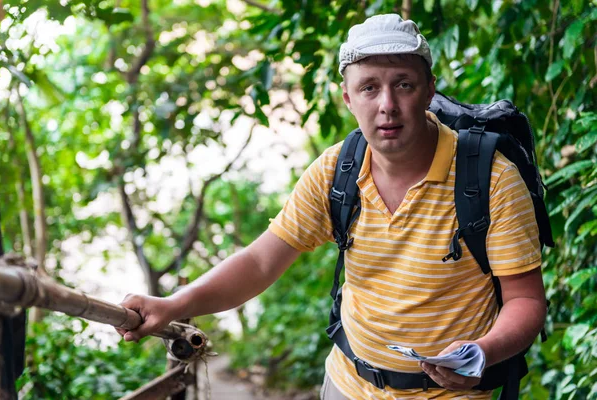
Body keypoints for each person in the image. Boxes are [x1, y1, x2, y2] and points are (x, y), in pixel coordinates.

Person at [117, 14, 547, 399]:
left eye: (403, 84)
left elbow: (525, 300)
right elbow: (261, 262)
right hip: (348, 384)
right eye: (369, 88)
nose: (387, 106)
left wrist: (481, 353)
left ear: (429, 89)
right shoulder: (335, 172)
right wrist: (174, 304)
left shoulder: (490, 179)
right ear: (348, 98)